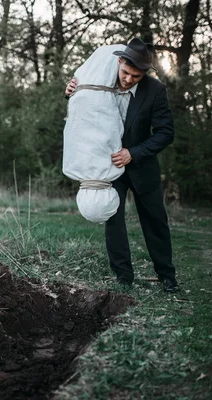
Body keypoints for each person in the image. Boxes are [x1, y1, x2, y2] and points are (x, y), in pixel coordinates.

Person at [65, 38, 180, 293]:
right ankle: (123, 277)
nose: (128, 79)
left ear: (145, 74)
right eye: (126, 72)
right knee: (113, 220)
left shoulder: (156, 90)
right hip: (108, 168)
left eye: (135, 77)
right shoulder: (99, 82)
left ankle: (167, 276)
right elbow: (83, 112)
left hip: (142, 166)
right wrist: (72, 91)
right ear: (119, 61)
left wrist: (134, 153)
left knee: (155, 220)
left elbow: (165, 133)